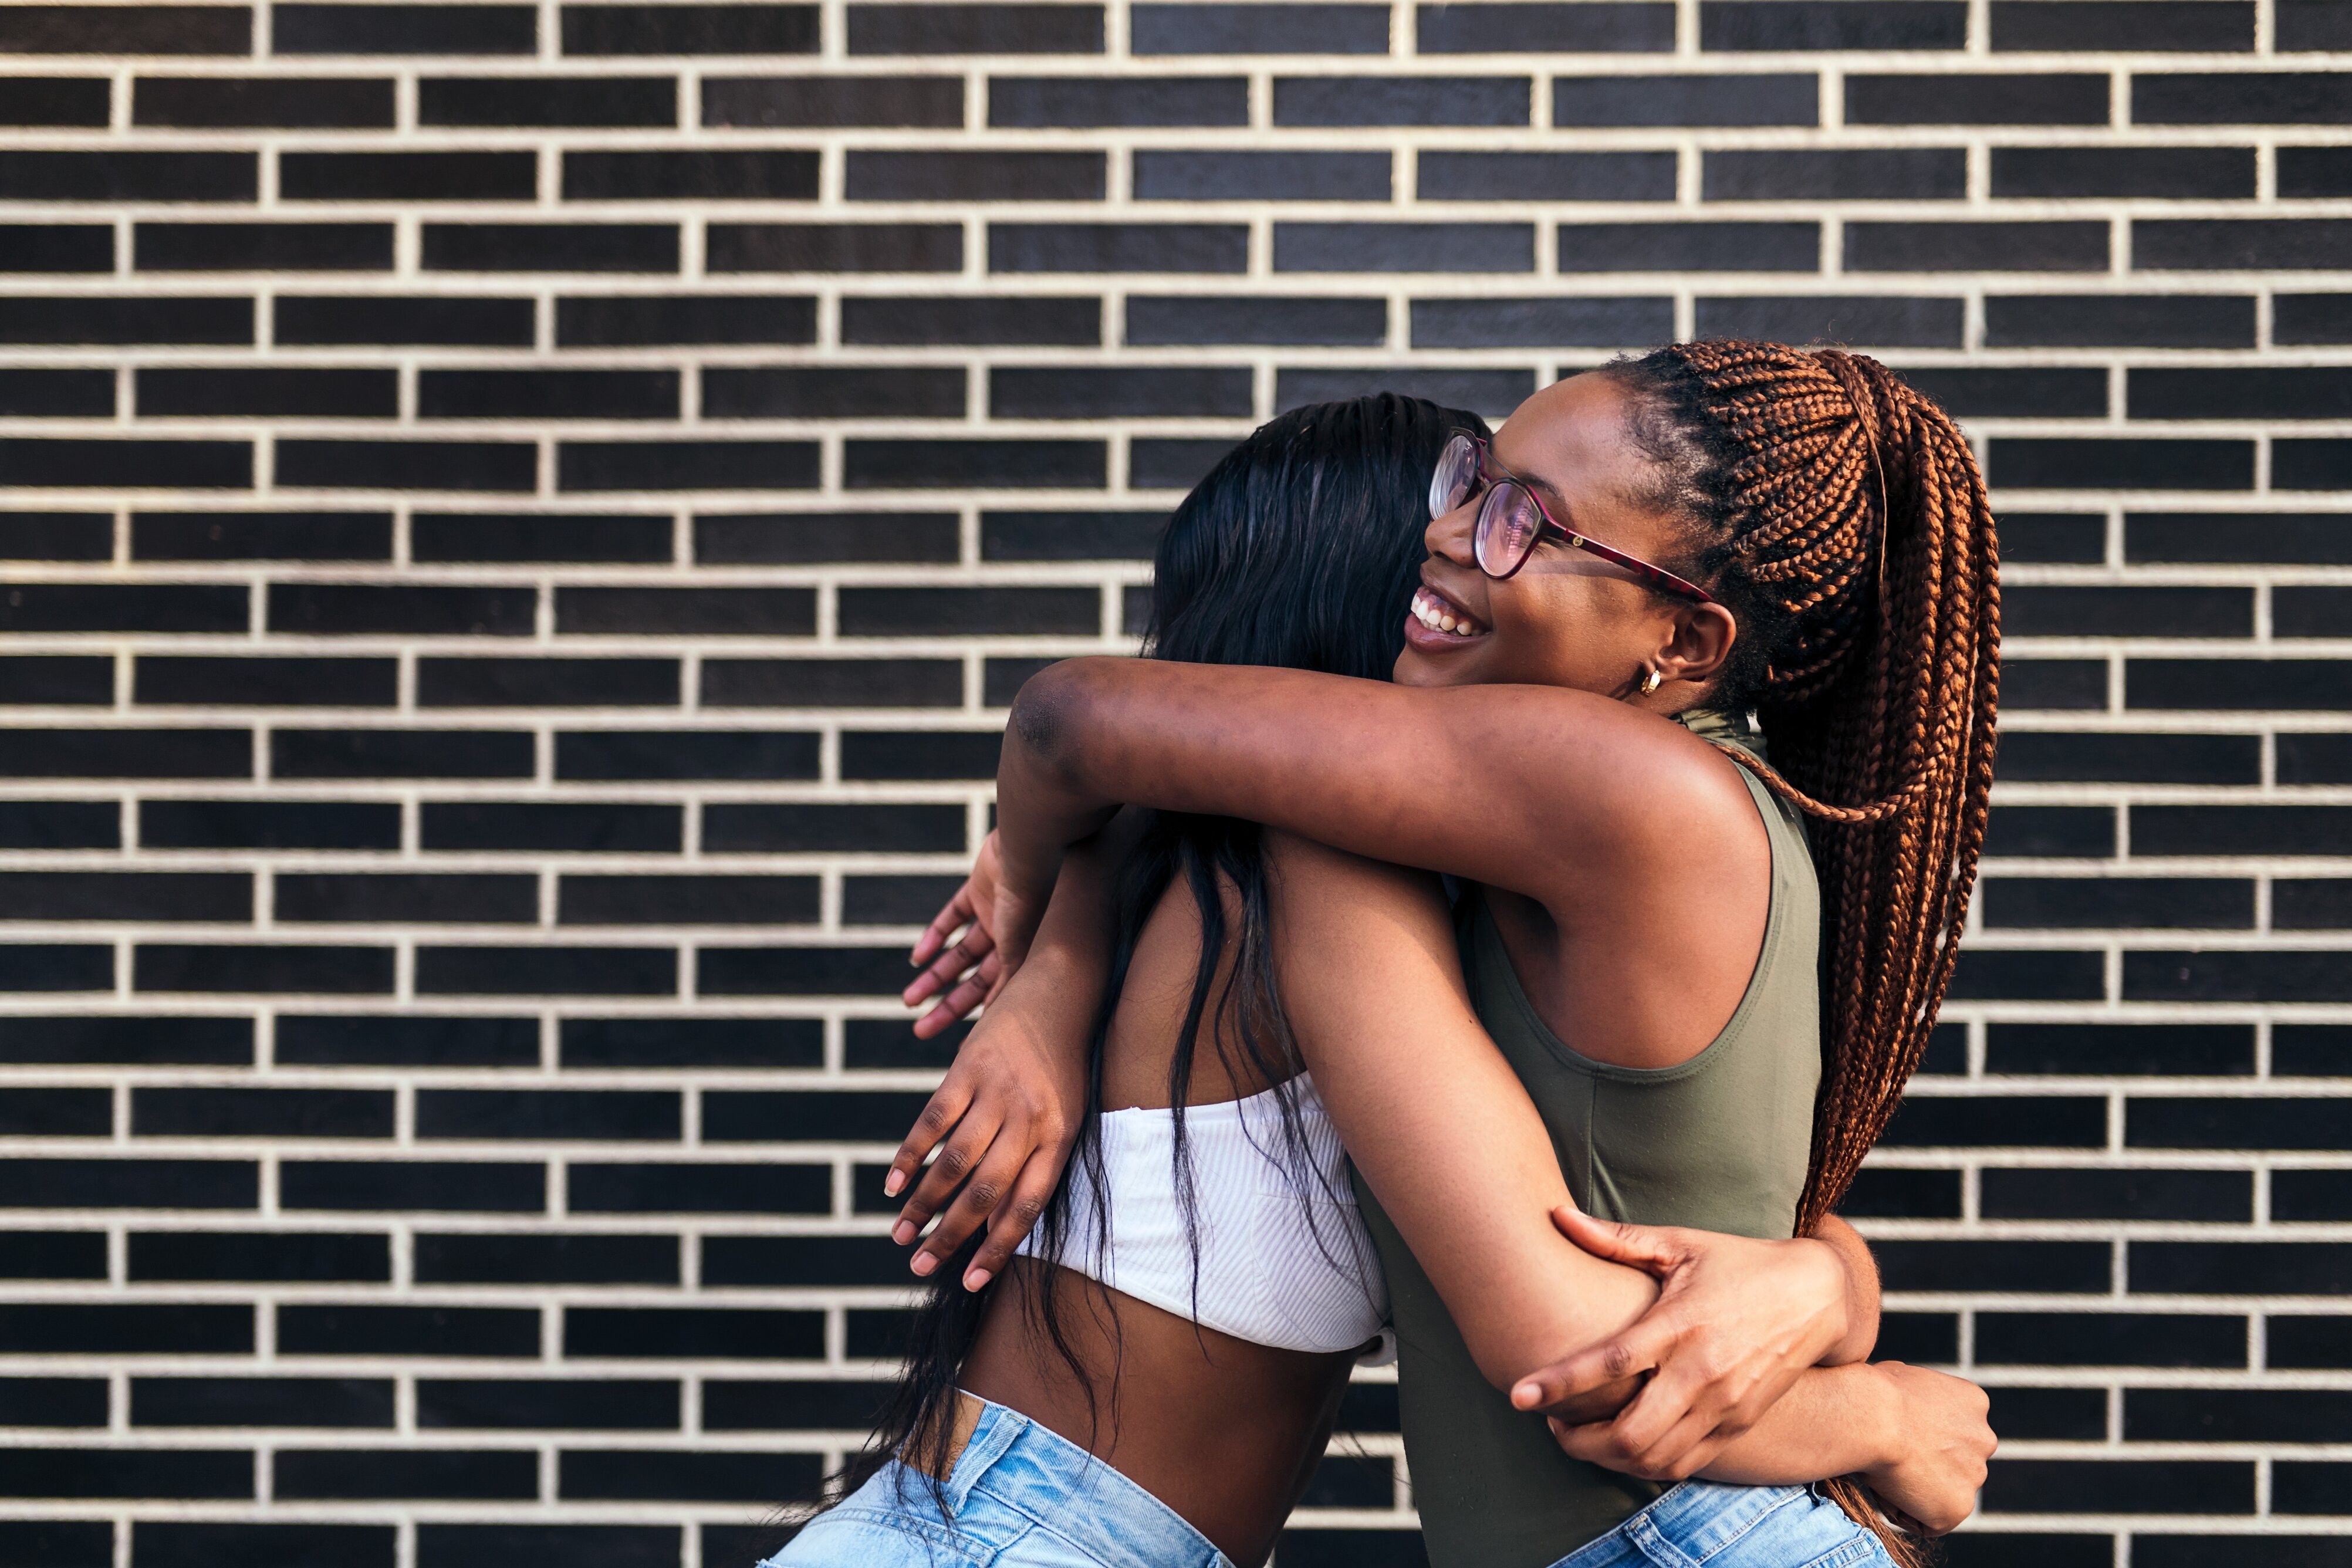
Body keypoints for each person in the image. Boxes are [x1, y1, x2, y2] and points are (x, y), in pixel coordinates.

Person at [877, 343, 2002, 1568]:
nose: (1456, 533)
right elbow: (1666, 1184)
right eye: (1471, 483)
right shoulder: (1601, 842)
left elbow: (1077, 723)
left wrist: (1037, 886)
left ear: (1683, 643)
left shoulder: (1612, 786)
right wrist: (1055, 954)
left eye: (1530, 521)